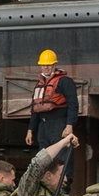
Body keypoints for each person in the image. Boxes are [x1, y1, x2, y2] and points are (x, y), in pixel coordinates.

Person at [26, 49, 79, 186]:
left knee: (62, 157)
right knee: (43, 158)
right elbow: (35, 109)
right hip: (43, 126)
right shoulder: (39, 85)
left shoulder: (64, 81)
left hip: (59, 124)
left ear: (54, 65)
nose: (46, 67)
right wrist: (31, 129)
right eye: (43, 65)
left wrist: (69, 125)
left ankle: (64, 188)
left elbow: (73, 104)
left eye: (48, 65)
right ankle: (45, 187)